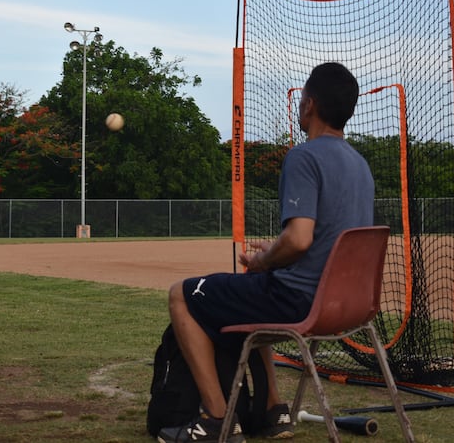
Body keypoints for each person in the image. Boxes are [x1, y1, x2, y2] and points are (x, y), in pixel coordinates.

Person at [158, 62, 375, 442]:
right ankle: (274, 411)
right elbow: (320, 242)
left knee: (181, 294)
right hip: (346, 306)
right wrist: (271, 258)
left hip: (298, 302)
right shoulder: (360, 164)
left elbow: (299, 240)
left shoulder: (304, 157)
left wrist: (264, 258)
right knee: (253, 285)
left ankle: (214, 421)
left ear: (309, 105)